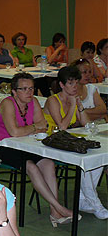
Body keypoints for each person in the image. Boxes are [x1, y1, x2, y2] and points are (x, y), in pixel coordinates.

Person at [0, 72, 75, 225]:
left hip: (27, 144)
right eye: (24, 89)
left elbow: (43, 127)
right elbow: (14, 132)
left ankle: (55, 212)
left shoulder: (34, 102)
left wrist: (32, 128)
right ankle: (58, 208)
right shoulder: (7, 104)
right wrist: (34, 127)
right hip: (3, 146)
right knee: (31, 167)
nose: (29, 92)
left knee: (48, 163)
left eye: (31, 88)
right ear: (14, 92)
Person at [44, 66, 108, 219]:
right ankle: (95, 203)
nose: (75, 87)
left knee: (98, 155)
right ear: (61, 85)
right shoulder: (53, 100)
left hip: (68, 141)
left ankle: (82, 199)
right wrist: (73, 105)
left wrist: (80, 107)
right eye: (70, 84)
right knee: (86, 157)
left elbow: (86, 125)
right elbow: (62, 127)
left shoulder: (75, 99)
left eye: (76, 83)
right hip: (50, 142)